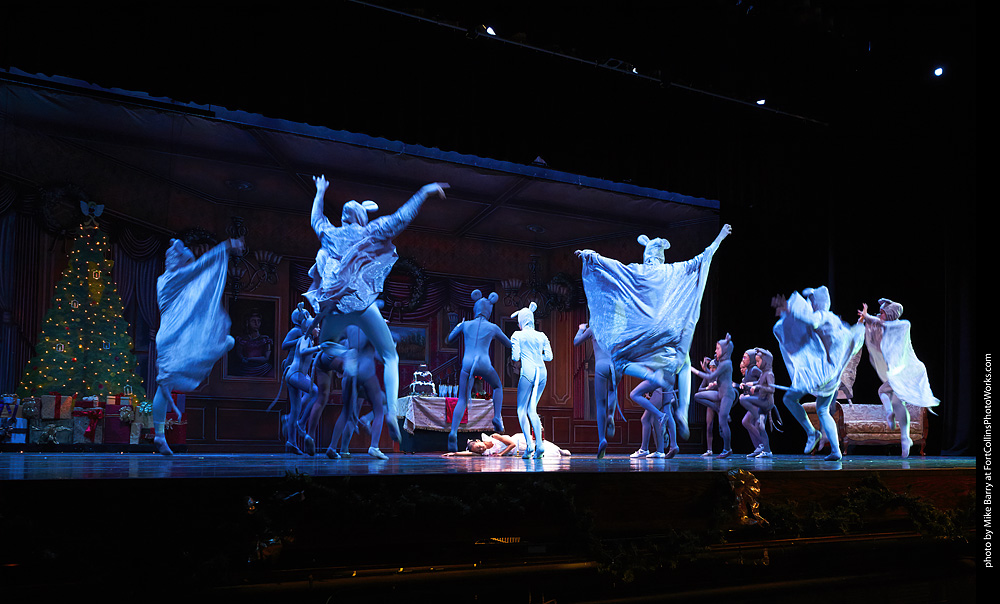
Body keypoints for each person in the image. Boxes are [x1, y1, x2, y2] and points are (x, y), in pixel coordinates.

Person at [305, 175, 448, 443]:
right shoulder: (371, 230)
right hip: (363, 303)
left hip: (337, 306)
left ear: (344, 218)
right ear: (361, 217)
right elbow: (401, 217)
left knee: (325, 346)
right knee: (391, 356)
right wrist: (423, 191)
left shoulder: (330, 234)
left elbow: (316, 219)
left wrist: (320, 191)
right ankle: (392, 412)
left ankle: (347, 357)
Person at [575, 225, 732, 443]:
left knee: (620, 362)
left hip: (640, 333)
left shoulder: (637, 271)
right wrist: (720, 236)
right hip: (666, 330)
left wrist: (592, 256)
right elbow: (703, 257)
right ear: (661, 257)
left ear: (646, 255)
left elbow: (615, 267)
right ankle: (683, 411)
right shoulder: (672, 271)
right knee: (684, 362)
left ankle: (613, 413)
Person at [153, 237, 243, 455]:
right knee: (168, 382)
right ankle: (222, 345)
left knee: (164, 386)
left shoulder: (162, 280)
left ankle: (159, 435)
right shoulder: (175, 278)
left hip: (170, 337)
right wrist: (226, 246)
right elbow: (200, 266)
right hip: (176, 338)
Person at [772, 286, 864, 461]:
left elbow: (811, 321)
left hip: (820, 372)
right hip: (832, 376)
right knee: (822, 410)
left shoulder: (822, 315)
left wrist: (790, 310)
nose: (810, 303)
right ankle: (836, 451)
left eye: (812, 300)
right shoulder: (834, 319)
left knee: (789, 399)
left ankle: (811, 432)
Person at [857, 298, 939, 458]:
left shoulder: (903, 325)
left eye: (882, 313)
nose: (880, 315)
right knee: (896, 402)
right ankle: (905, 437)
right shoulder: (885, 329)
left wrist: (868, 317)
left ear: (890, 314)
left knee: (882, 391)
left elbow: (884, 325)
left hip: (911, 370)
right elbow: (873, 331)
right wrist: (863, 321)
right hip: (901, 371)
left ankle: (890, 414)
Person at [445, 290, 511, 452]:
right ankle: (497, 417)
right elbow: (509, 344)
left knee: (462, 399)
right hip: (484, 361)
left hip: (467, 362)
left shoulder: (466, 324)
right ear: (489, 311)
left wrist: (459, 325)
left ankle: (453, 431)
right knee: (497, 386)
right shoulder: (493, 327)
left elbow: (449, 339)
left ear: (475, 309)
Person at [509, 302, 552, 458]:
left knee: (522, 409)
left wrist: (523, 353)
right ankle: (539, 445)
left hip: (528, 371)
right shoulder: (542, 336)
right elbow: (549, 357)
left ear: (521, 321)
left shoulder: (517, 335)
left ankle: (530, 446)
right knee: (532, 409)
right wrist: (537, 355)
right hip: (542, 372)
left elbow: (515, 357)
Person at [574, 322, 618, 458]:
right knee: (612, 391)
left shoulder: (593, 329)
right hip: (615, 365)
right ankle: (611, 415)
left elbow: (576, 342)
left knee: (600, 404)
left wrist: (581, 329)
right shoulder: (616, 327)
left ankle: (602, 439)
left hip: (601, 365)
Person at [690, 334, 737, 458]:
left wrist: (694, 370)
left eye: (718, 348)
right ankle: (717, 408)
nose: (715, 351)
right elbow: (712, 375)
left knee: (722, 421)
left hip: (727, 395)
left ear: (725, 350)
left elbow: (711, 376)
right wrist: (705, 368)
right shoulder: (722, 363)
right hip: (719, 394)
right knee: (697, 396)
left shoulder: (726, 363)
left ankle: (727, 449)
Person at [739, 348, 777, 458]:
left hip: (762, 401)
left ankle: (763, 446)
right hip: (758, 400)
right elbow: (759, 383)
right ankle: (761, 447)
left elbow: (767, 386)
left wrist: (754, 385)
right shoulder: (750, 371)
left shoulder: (758, 370)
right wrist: (745, 386)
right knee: (755, 424)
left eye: (745, 357)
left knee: (749, 421)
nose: (743, 359)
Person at [234, 309, 273, 377]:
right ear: (247, 323)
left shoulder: (265, 339)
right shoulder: (242, 340)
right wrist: (244, 359)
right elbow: (240, 355)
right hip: (245, 370)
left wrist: (249, 359)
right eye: (253, 321)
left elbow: (266, 358)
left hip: (264, 370)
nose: (256, 323)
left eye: (258, 321)